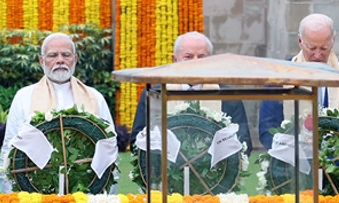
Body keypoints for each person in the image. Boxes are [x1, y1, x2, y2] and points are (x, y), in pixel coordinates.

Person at [0, 32, 115, 192]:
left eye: (66, 55)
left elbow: (108, 147)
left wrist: (105, 196)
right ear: (42, 61)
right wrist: (10, 195)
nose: (60, 60)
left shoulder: (95, 97)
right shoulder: (24, 96)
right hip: (35, 188)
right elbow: (9, 147)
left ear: (75, 59)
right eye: (53, 55)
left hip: (86, 189)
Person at [129, 31, 250, 148]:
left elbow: (243, 143)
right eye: (188, 57)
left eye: (202, 57)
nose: (195, 62)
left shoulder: (228, 96)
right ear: (175, 60)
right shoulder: (155, 94)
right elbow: (137, 140)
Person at [259, 13, 339, 149]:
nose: (318, 55)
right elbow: (267, 130)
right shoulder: (279, 78)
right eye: (312, 48)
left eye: (324, 48)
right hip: (294, 162)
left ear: (333, 40)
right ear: (300, 41)